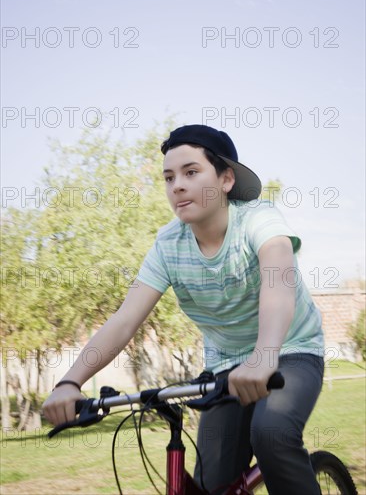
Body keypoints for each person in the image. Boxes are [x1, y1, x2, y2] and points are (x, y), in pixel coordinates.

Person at [42, 124, 324, 495]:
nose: (177, 185)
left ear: (226, 179)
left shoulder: (257, 218)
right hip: (225, 366)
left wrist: (264, 355)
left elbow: (277, 281)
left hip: (290, 350)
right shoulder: (168, 246)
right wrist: (70, 382)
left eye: (191, 172)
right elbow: (125, 319)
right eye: (169, 177)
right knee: (210, 484)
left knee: (272, 435)